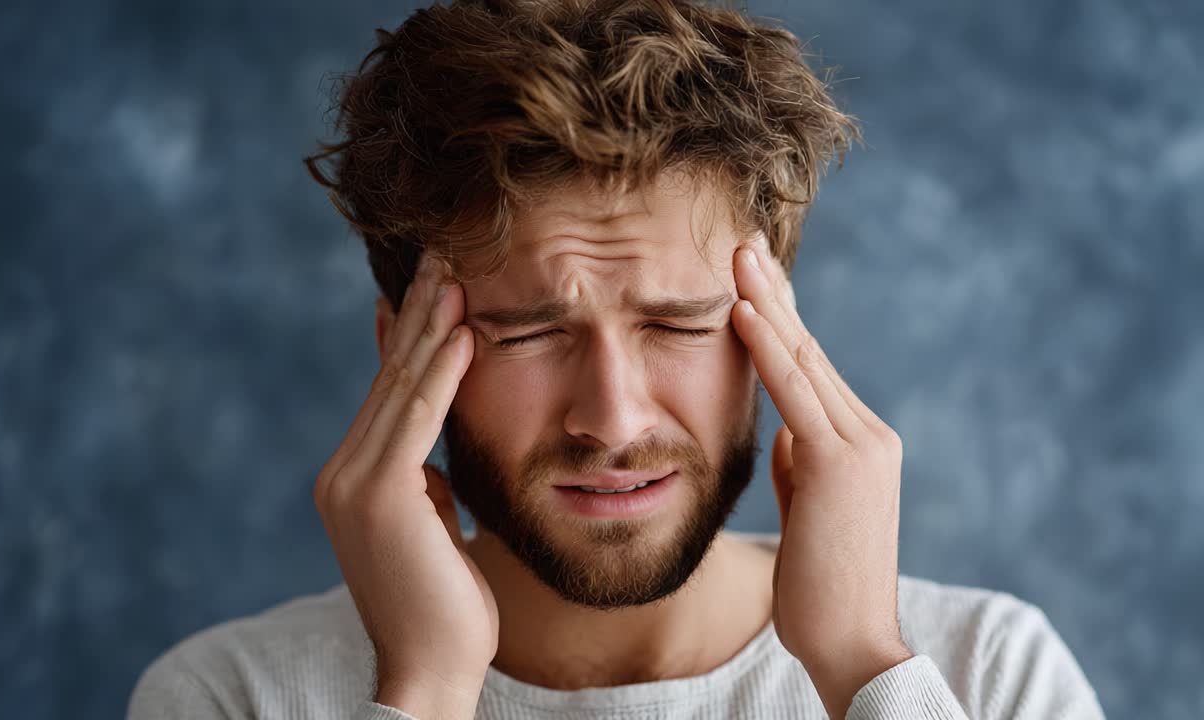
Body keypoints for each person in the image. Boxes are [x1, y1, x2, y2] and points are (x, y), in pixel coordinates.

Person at [127, 1, 1106, 718]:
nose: (615, 418)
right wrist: (423, 691)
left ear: (775, 334)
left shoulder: (984, 674)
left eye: (678, 326)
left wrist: (859, 666)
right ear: (402, 357)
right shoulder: (230, 696)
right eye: (528, 333)